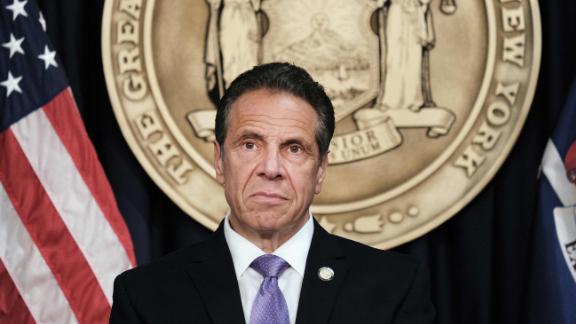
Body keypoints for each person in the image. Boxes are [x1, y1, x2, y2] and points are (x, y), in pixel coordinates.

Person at [110, 63, 435, 323]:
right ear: (219, 160)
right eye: (250, 144)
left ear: (321, 169)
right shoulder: (146, 296)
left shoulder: (394, 289)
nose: (270, 167)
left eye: (294, 148)